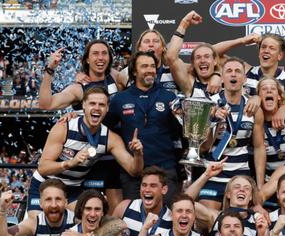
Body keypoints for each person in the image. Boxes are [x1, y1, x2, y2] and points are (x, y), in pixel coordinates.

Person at [38, 40, 126, 211]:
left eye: (104, 53)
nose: (100, 58)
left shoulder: (118, 79)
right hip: (87, 160)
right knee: (87, 212)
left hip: (113, 155)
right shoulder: (78, 88)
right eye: (95, 54)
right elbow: (46, 104)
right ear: (86, 59)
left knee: (116, 213)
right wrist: (50, 70)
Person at [28, 87, 143, 218]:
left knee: (91, 220)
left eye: (101, 105)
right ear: (83, 105)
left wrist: (138, 154)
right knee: (37, 226)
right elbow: (43, 168)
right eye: (92, 103)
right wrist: (70, 163)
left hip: (72, 190)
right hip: (44, 185)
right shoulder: (64, 127)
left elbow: (134, 170)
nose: (97, 108)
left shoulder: (111, 139)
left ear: (107, 108)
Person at [106, 51, 182, 204]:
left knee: (165, 218)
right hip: (134, 172)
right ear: (134, 70)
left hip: (165, 169)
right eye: (144, 66)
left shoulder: (169, 97)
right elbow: (106, 128)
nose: (150, 70)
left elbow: (180, 132)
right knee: (134, 220)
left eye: (153, 66)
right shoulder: (120, 99)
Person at [196, 58, 264, 209]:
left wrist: (259, 185)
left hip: (241, 176)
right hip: (213, 173)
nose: (233, 75)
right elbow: (202, 148)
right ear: (222, 77)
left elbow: (259, 147)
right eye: (229, 71)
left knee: (238, 221)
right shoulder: (208, 104)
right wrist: (213, 122)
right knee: (207, 219)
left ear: (244, 79)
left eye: (238, 71)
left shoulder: (253, 108)